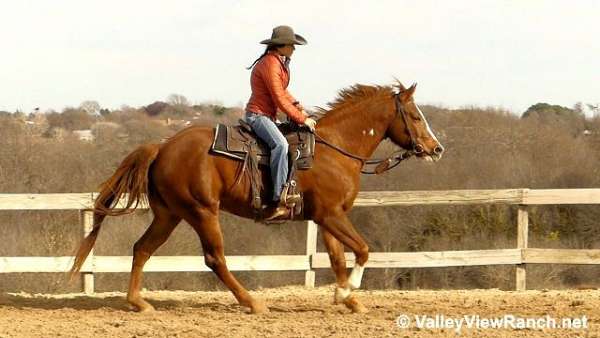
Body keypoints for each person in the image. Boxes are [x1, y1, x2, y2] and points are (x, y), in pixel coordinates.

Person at [245, 25, 317, 220]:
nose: (294, 49)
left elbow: (283, 92)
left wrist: (298, 105)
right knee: (281, 145)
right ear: (281, 46)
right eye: (292, 45)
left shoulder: (278, 62)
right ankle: (278, 199)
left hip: (268, 116)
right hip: (257, 115)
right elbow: (278, 97)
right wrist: (302, 119)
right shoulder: (271, 64)